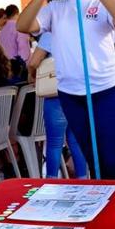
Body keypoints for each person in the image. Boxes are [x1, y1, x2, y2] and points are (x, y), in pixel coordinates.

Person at [17, 0, 115, 180]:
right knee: (94, 161)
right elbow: (24, 25)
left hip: (107, 91)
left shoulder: (101, 4)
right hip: (71, 95)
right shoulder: (56, 8)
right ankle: (107, 207)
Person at [27, 31, 89, 180]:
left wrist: (31, 74)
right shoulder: (79, 31)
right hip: (77, 93)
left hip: (56, 95)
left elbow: (34, 62)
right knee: (76, 141)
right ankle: (83, 179)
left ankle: (52, 181)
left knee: (54, 143)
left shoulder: (51, 34)